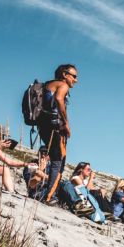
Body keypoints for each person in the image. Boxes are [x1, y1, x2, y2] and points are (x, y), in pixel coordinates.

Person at [38, 64, 78, 203]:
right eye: (74, 76)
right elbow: (59, 99)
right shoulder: (63, 85)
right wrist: (65, 122)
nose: (76, 80)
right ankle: (49, 196)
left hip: (42, 126)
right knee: (58, 161)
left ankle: (47, 193)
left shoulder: (48, 85)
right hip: (54, 127)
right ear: (65, 74)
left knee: (55, 158)